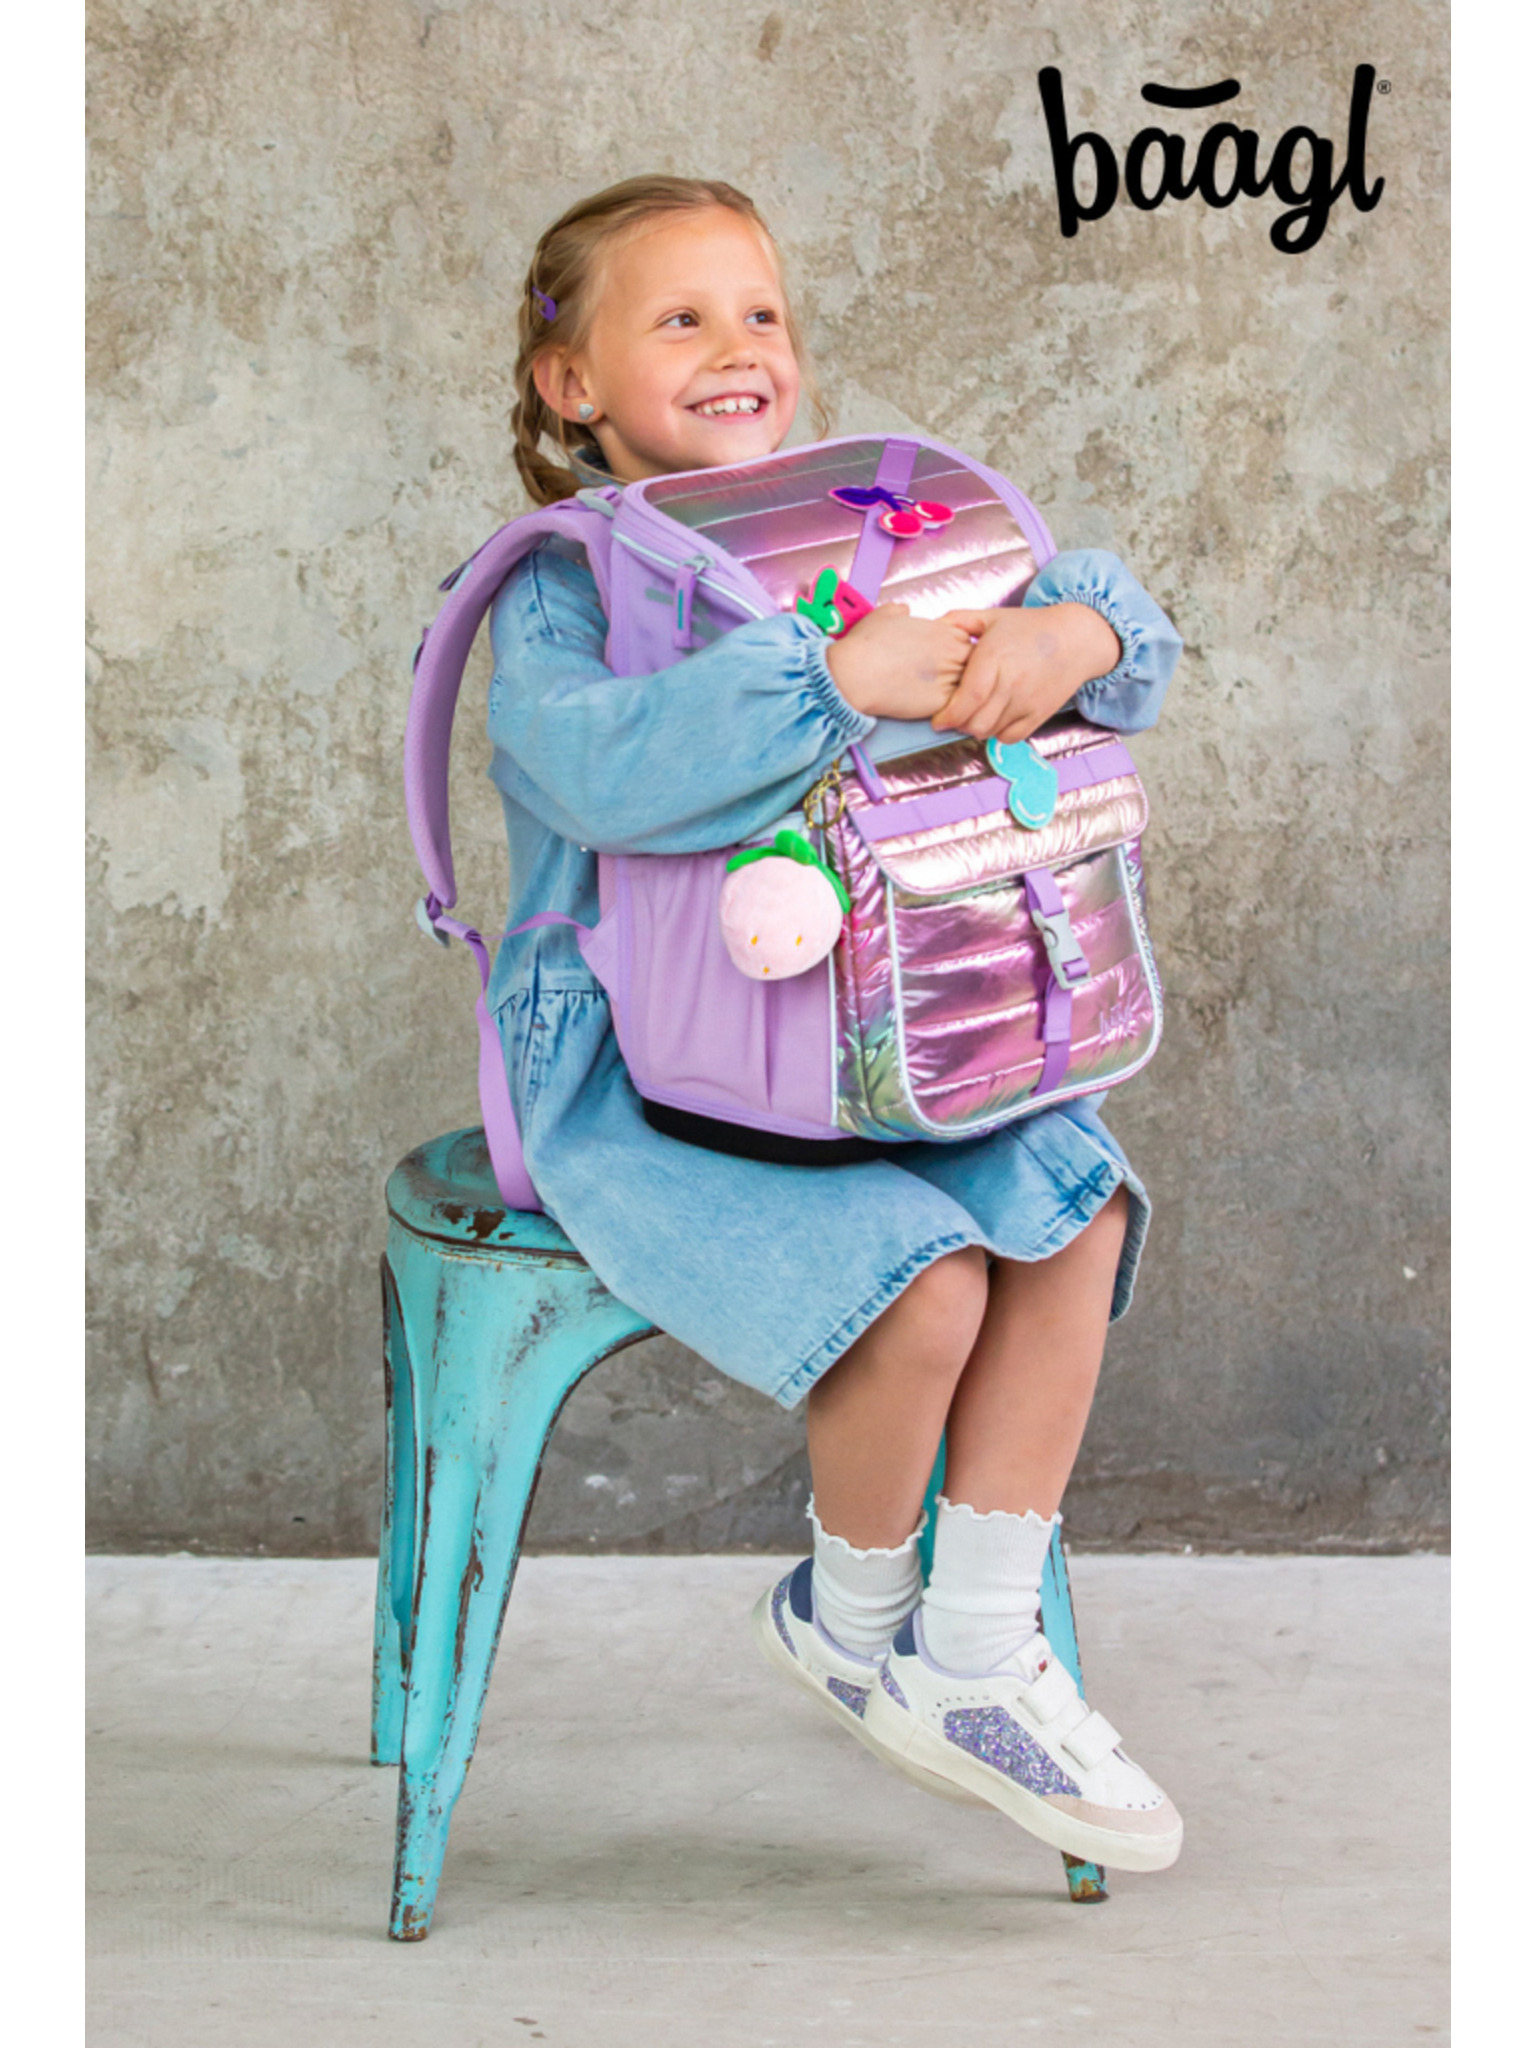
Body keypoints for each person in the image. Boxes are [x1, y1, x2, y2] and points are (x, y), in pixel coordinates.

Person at [483, 176, 1185, 1872]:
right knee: (925, 1285)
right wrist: (831, 680)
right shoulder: (567, 581)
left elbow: (1121, 635)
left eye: (764, 315)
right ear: (572, 382)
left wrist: (1071, 631)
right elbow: (595, 768)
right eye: (681, 319)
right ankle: (852, 1618)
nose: (741, 347)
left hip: (903, 1033)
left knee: (1076, 1214)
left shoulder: (878, 527)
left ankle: (976, 1649)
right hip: (661, 1079)